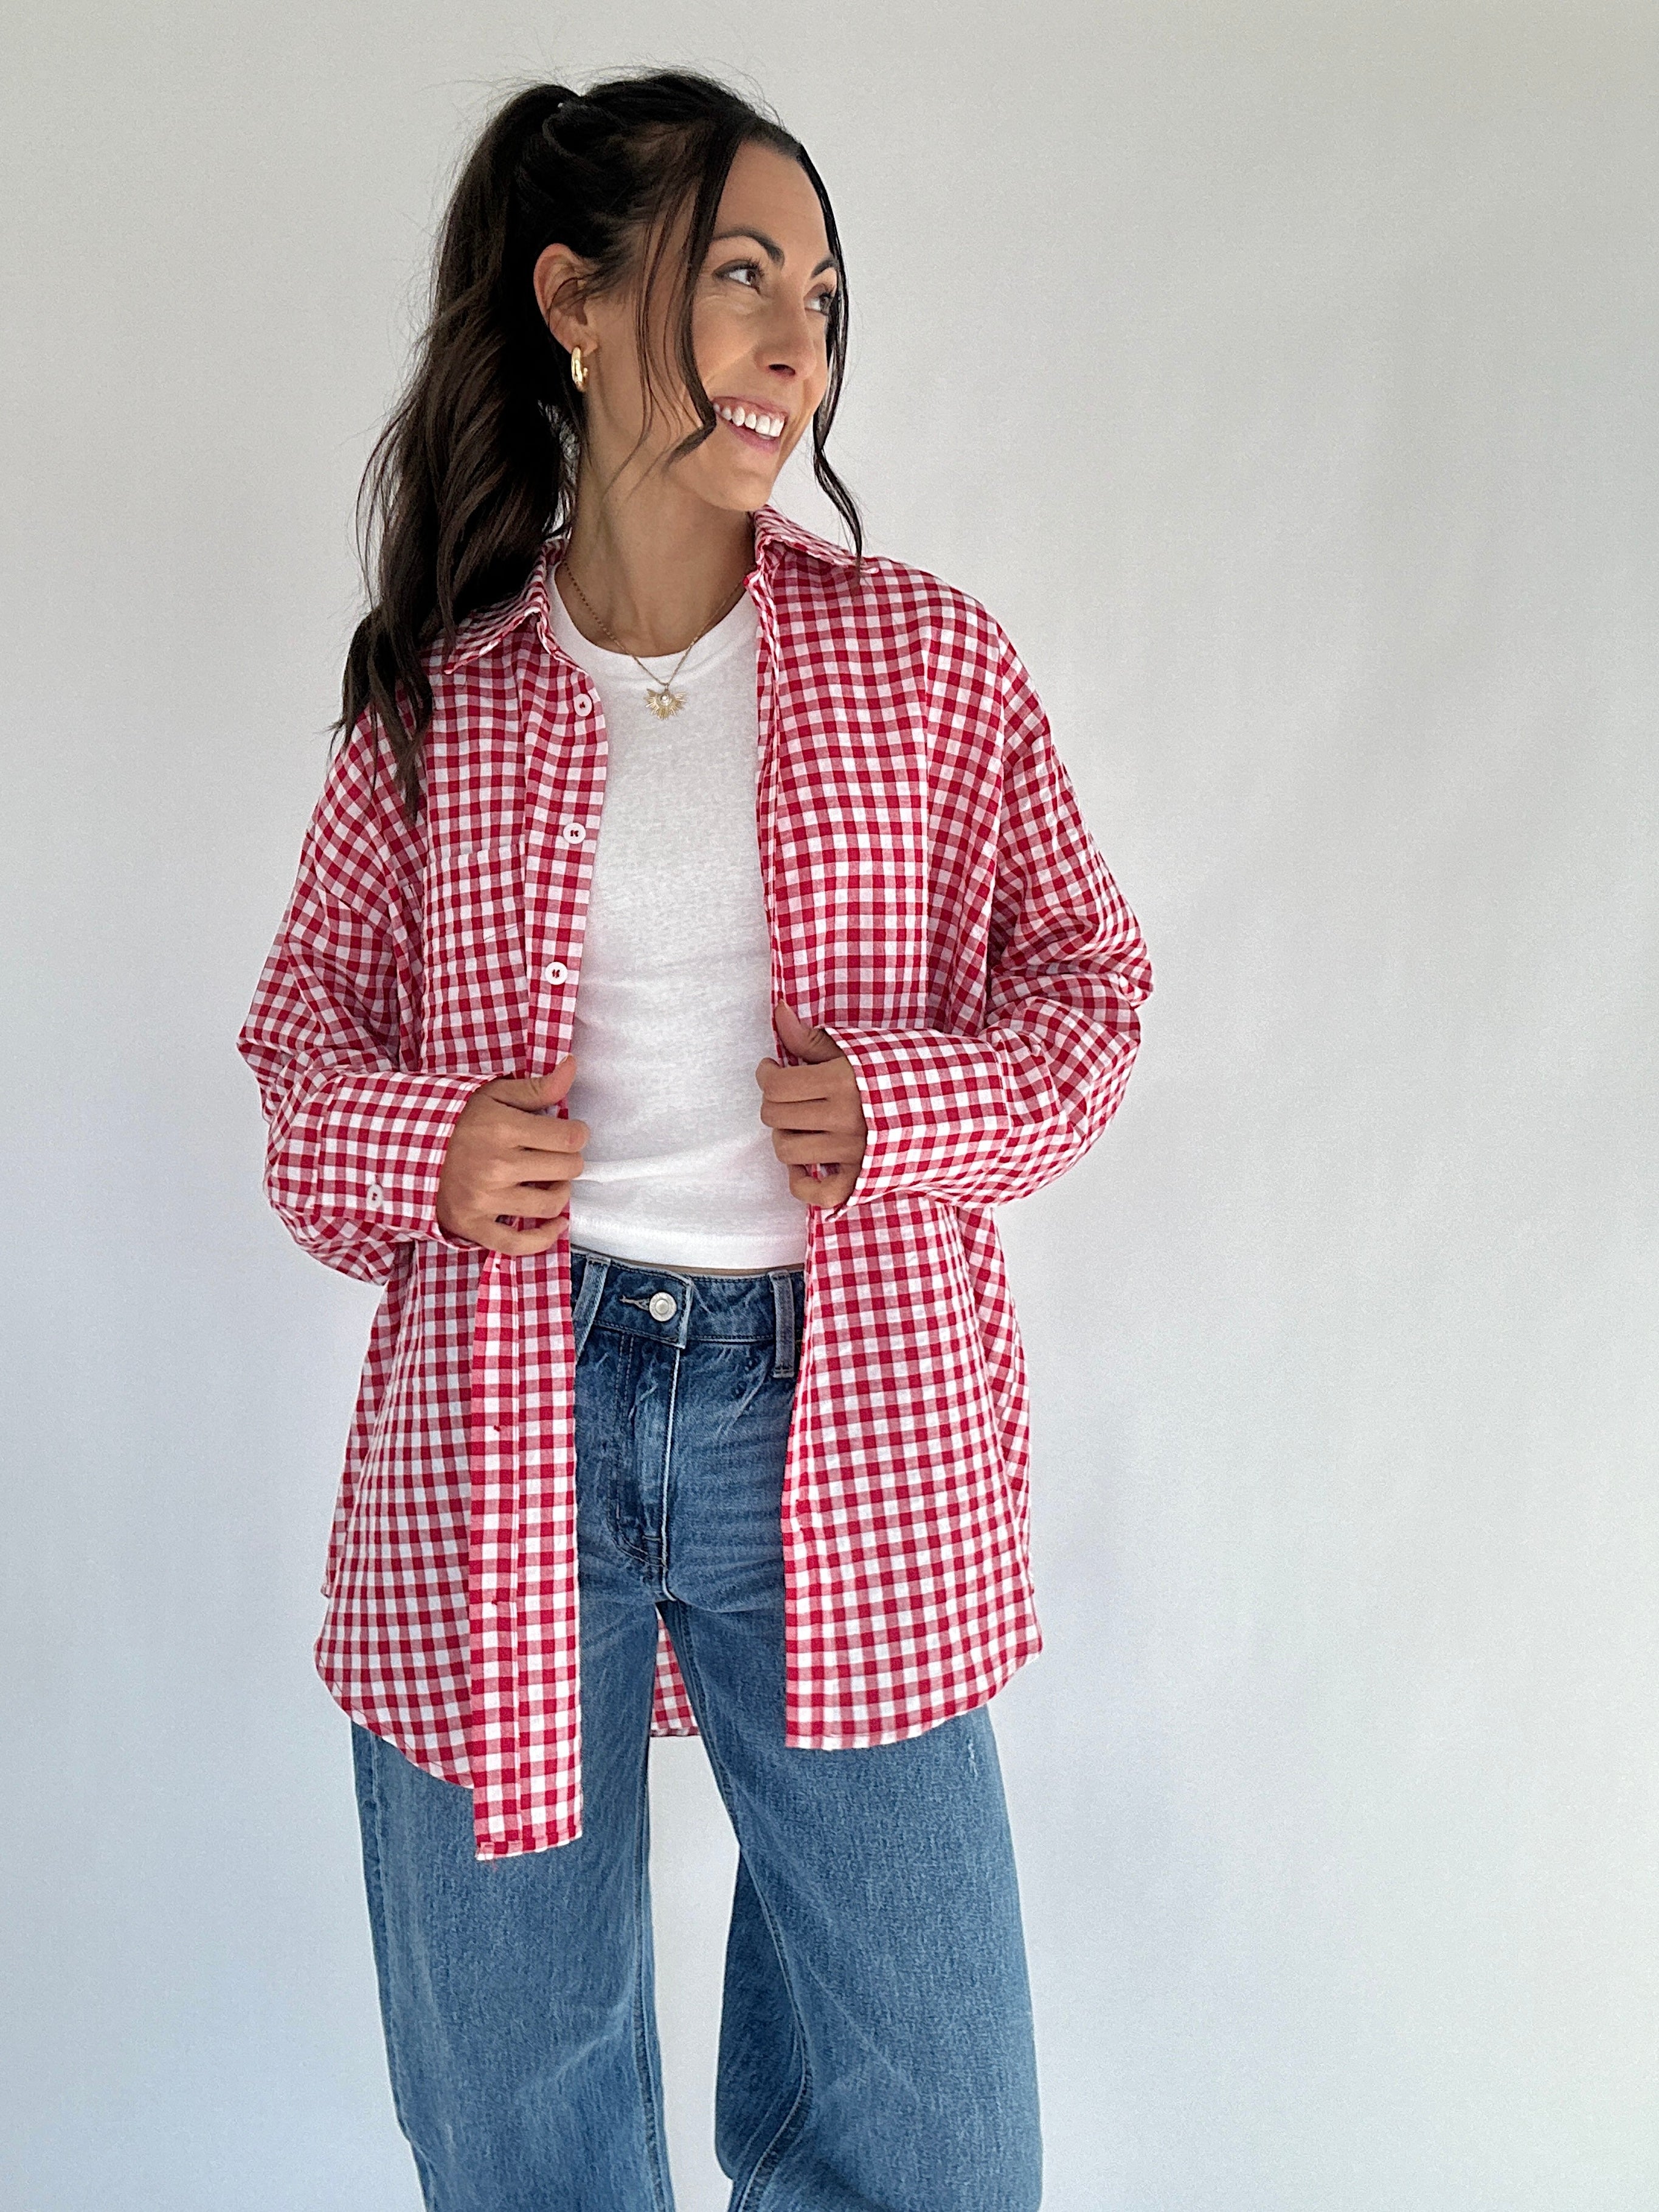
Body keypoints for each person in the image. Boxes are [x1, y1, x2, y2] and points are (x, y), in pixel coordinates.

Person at [238, 65, 1151, 2212]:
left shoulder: (921, 662)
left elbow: (1094, 999)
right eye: (741, 277)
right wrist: (427, 1153)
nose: (794, 348)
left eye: (819, 298)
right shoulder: (442, 704)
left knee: (936, 2135)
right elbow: (296, 1066)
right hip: (500, 1433)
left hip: (844, 1425)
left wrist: (902, 1109)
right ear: (573, 297)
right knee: (519, 2114)